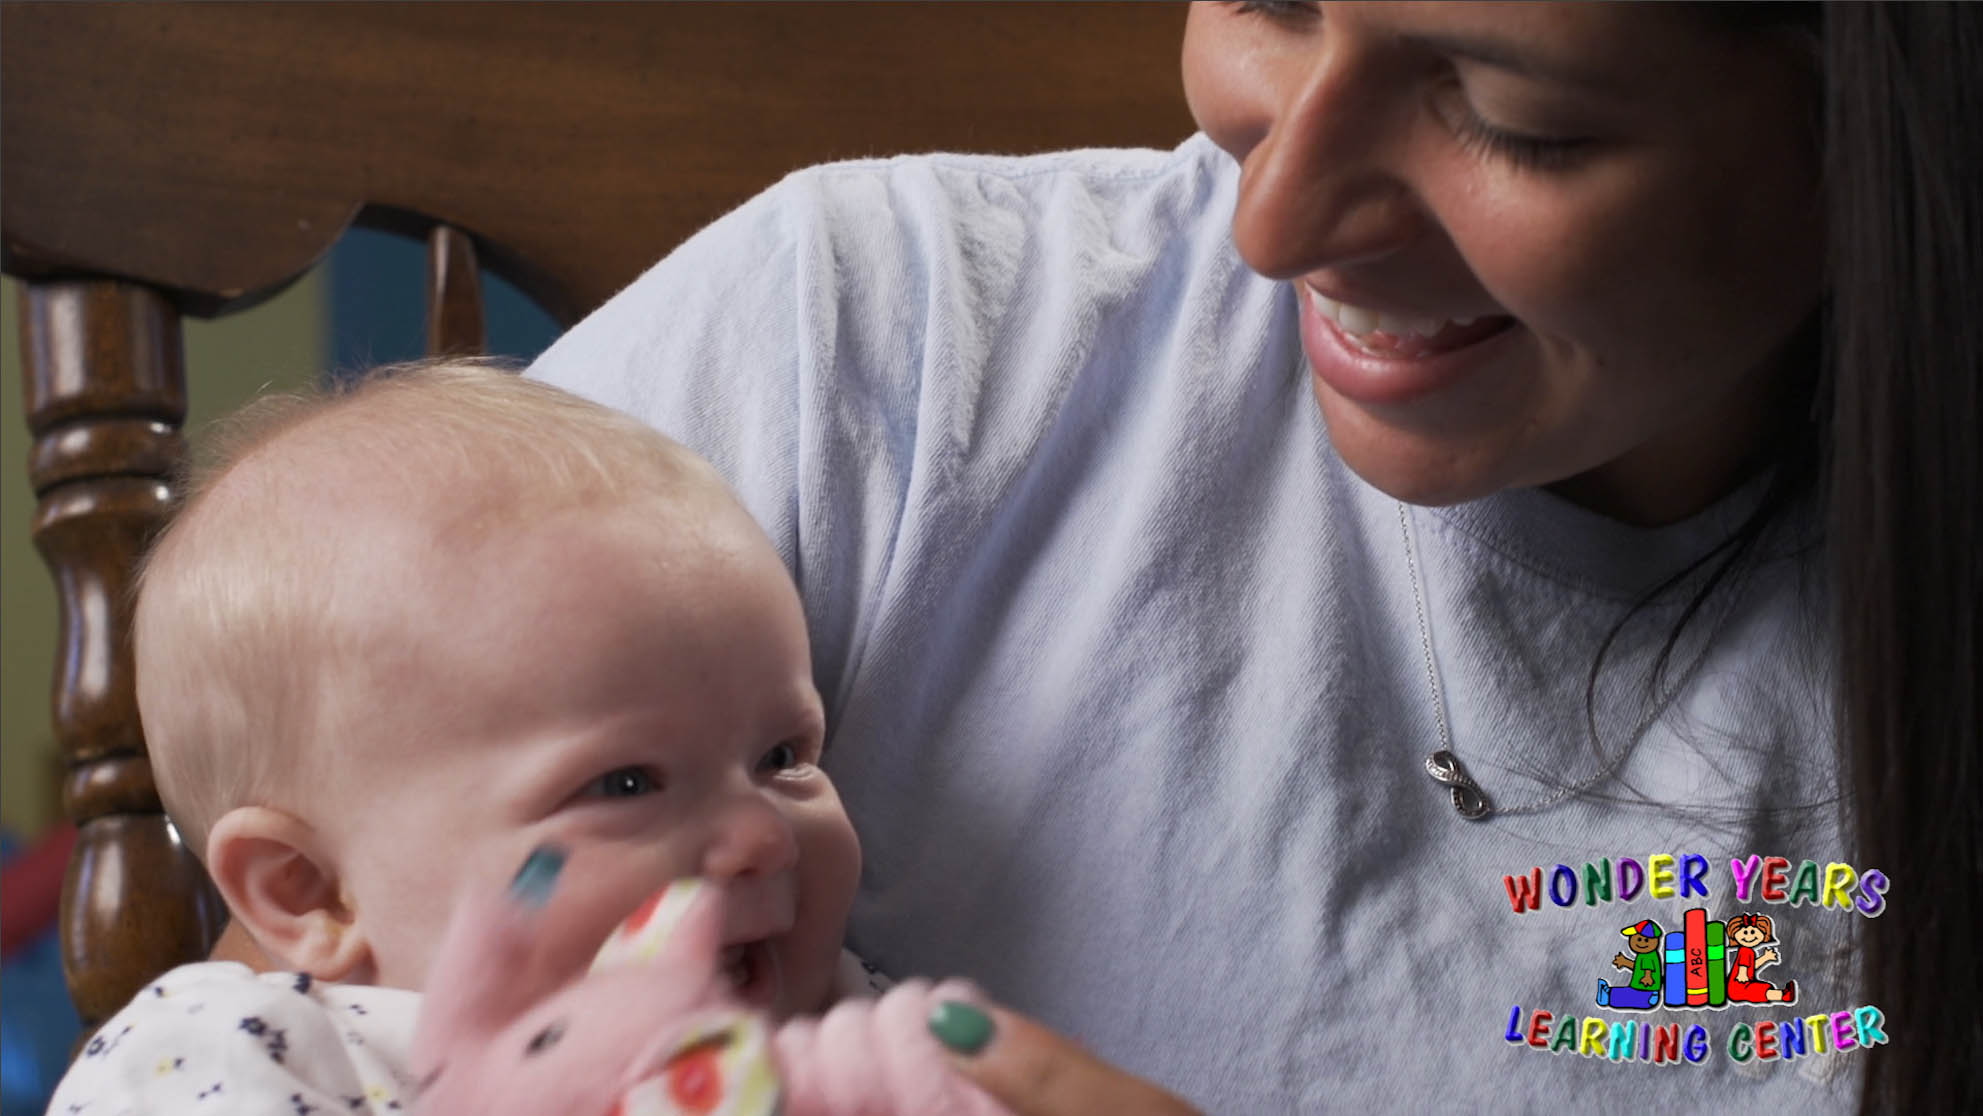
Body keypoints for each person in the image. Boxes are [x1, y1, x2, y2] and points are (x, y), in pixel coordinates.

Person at [526, 3, 1979, 1113]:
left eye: (1509, 117)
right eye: (1268, 0)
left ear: (1885, 128)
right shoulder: (868, 342)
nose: (1272, 224)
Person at [46, 362, 955, 1113]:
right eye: (626, 784)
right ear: (311, 890)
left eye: (781, 759)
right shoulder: (234, 1056)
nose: (763, 837)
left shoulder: (838, 1023)